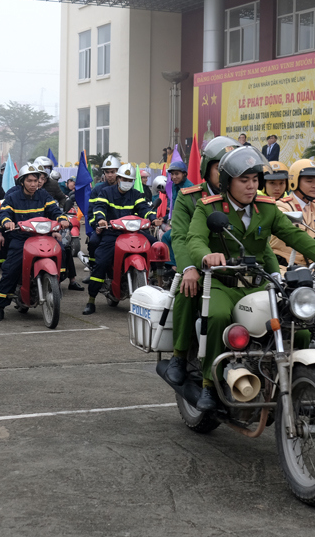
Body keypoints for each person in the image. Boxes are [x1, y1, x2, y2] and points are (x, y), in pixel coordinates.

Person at [184, 146, 315, 409]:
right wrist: (207, 256)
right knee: (216, 317)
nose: (251, 187)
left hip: (258, 283)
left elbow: (295, 235)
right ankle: (208, 384)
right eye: (244, 180)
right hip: (222, 283)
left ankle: (299, 379)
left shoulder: (268, 208)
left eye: (254, 180)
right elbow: (194, 240)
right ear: (228, 182)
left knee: (298, 321)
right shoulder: (209, 208)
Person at [164, 135, 238, 384]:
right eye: (221, 168)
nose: (228, 173)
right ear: (207, 170)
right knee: (188, 288)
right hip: (200, 266)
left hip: (236, 269)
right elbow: (181, 237)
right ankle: (179, 354)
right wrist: (189, 268)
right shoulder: (190, 197)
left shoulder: (241, 197)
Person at [0, 163, 69, 322]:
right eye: (30, 181)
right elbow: (3, 213)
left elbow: (54, 210)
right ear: (22, 182)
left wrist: (62, 219)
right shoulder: (13, 197)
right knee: (11, 269)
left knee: (62, 251)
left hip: (42, 236)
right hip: (21, 238)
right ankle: (0, 306)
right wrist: (7, 222)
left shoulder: (44, 195)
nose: (34, 184)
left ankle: (55, 282)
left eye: (36, 180)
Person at [82, 163, 156, 315]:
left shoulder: (136, 194)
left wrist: (153, 218)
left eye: (130, 180)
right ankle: (91, 299)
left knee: (157, 246)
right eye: (124, 179)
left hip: (133, 232)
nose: (126, 182)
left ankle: (158, 283)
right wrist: (101, 219)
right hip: (112, 233)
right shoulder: (105, 192)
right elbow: (99, 208)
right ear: (118, 178)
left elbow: (144, 209)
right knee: (101, 262)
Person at [82, 155, 121, 278]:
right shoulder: (97, 190)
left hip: (123, 228)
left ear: (118, 172)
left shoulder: (126, 189)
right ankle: (95, 270)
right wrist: (96, 226)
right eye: (107, 172)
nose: (110, 175)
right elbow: (91, 212)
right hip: (103, 229)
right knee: (93, 242)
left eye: (113, 172)